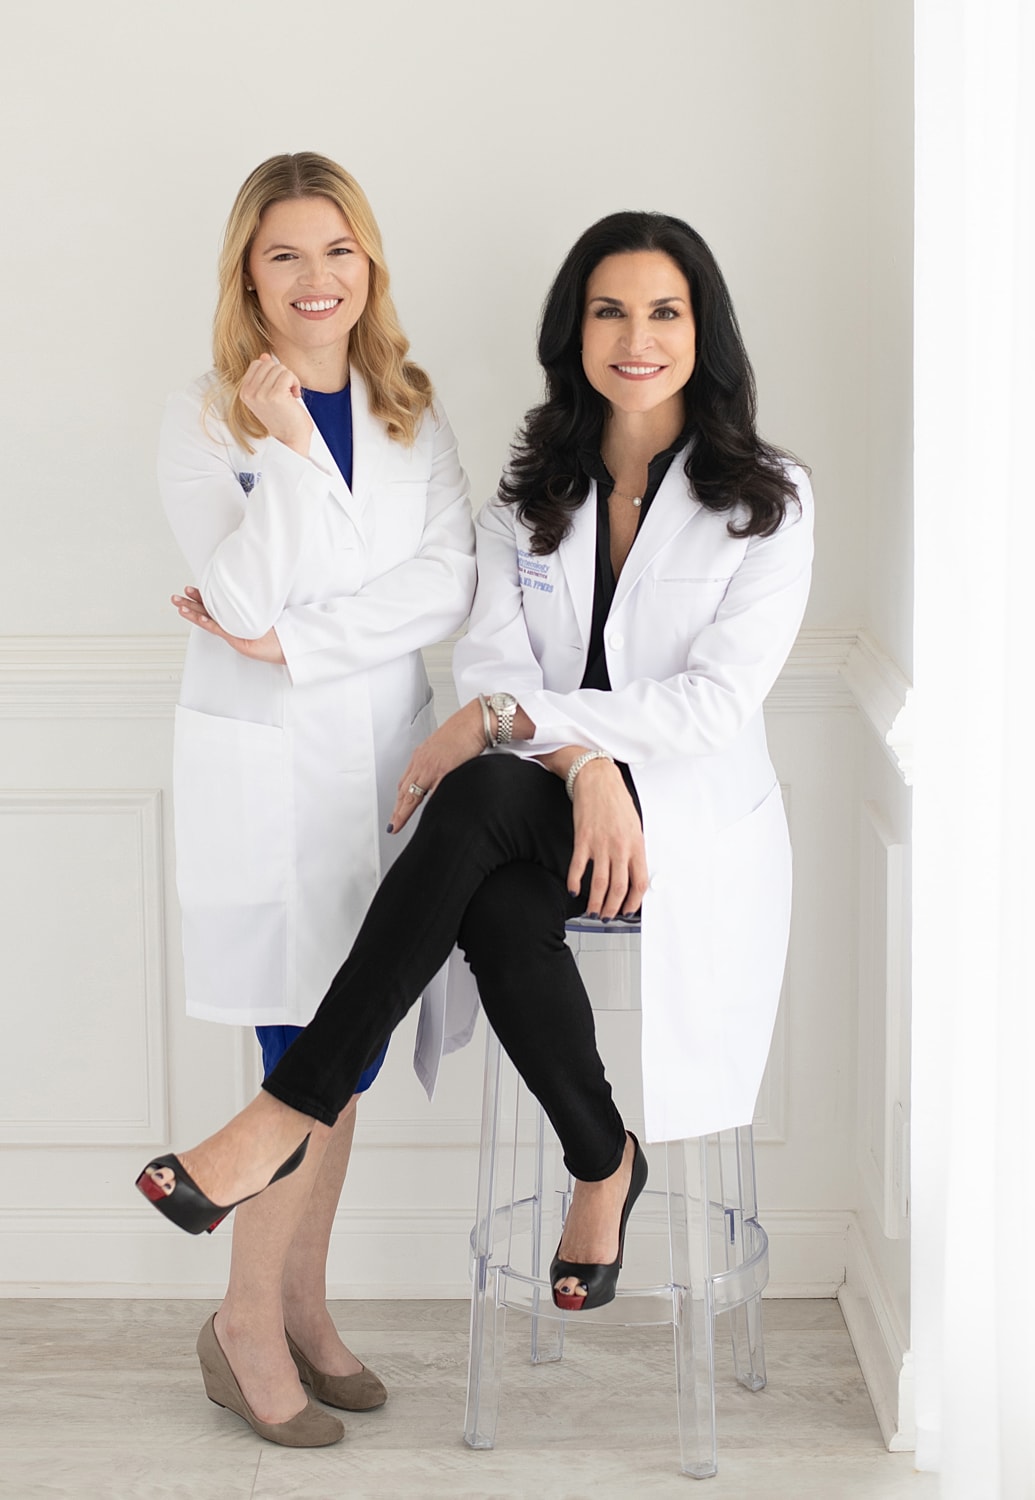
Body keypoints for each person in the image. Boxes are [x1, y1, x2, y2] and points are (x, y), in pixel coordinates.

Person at [140, 210, 813, 1342]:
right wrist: (581, 757)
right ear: (575, 333)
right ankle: (603, 1163)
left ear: (706, 332)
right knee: (495, 852)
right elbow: (492, 659)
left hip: (683, 820)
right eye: (609, 311)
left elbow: (707, 706)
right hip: (548, 803)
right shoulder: (532, 491)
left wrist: (537, 734)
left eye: (663, 312)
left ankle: (284, 1111)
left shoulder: (767, 500)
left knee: (485, 813)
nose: (635, 338)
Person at [156, 151, 475, 1447]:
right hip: (270, 784)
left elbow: (448, 584)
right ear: (247, 270)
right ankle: (243, 1321)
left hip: (380, 770)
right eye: (284, 253)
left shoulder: (412, 407)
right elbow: (234, 598)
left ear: (369, 265)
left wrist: (298, 638)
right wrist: (288, 450)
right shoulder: (204, 418)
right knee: (300, 1054)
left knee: (351, 1048)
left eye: (336, 251)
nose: (314, 279)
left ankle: (301, 1303)